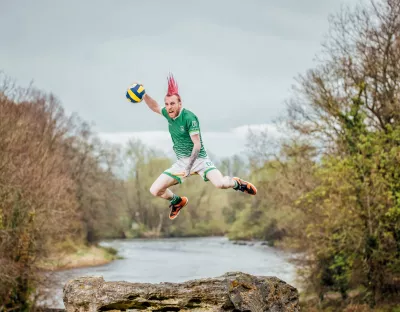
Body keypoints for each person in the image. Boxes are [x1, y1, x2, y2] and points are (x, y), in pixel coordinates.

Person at [141, 74, 257, 220]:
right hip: (182, 162)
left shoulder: (190, 118)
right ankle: (177, 201)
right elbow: (155, 106)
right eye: (167, 104)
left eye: (172, 103)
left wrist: (190, 167)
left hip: (200, 160)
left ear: (180, 103)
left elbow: (197, 145)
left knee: (220, 184)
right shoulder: (167, 113)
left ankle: (237, 183)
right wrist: (143, 95)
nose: (169, 107)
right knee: (155, 190)